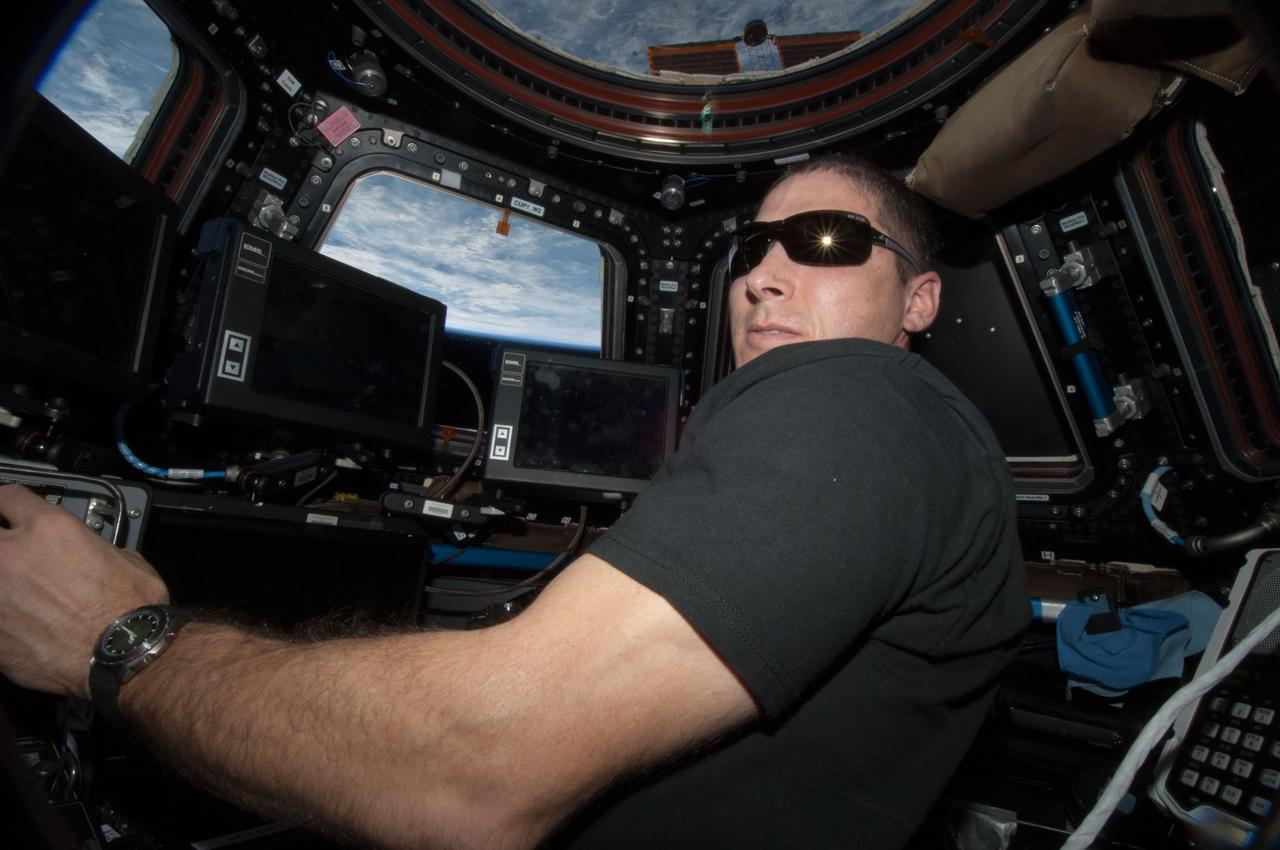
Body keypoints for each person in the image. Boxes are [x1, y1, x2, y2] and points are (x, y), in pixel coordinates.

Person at [0, 153, 1029, 850]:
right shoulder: (921, 452)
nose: (761, 277)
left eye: (820, 242)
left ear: (921, 299)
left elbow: (472, 770)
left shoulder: (857, 393)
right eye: (750, 251)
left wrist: (116, 636)